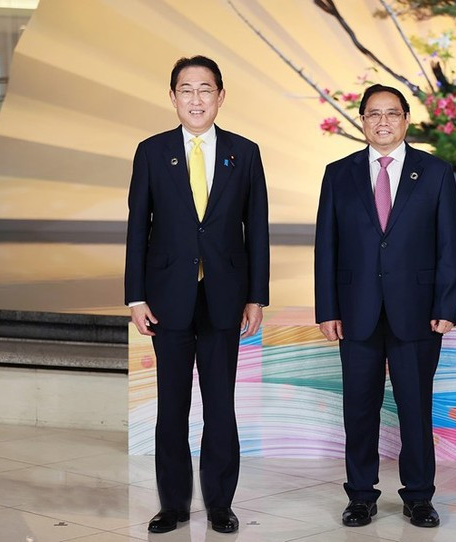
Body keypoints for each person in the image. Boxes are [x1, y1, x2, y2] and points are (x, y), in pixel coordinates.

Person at [124, 55, 269, 534]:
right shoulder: (152, 151)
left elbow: (258, 230)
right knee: (171, 406)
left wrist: (257, 296)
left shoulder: (244, 152)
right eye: (186, 89)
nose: (196, 99)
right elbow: (136, 229)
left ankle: (220, 503)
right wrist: (135, 296)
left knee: (220, 404)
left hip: (226, 296)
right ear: (172, 97)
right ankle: (173, 505)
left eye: (205, 89)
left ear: (221, 96)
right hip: (167, 298)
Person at [314, 84, 456, 528]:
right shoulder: (337, 174)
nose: (383, 122)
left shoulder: (435, 172)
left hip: (417, 310)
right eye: (373, 114)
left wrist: (446, 305)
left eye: (392, 114)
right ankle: (361, 495)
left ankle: (419, 496)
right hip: (355, 309)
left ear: (406, 120)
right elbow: (327, 246)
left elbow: (447, 246)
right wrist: (327, 308)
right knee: (359, 408)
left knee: (415, 406)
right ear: (362, 121)